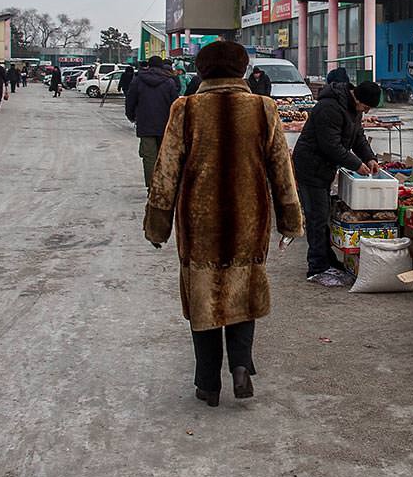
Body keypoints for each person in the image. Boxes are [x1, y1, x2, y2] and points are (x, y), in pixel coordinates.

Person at [145, 40, 303, 407]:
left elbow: (166, 171)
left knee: (203, 297)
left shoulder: (186, 109)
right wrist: (290, 221)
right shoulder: (263, 108)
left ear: (201, 71)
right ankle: (241, 367)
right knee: (243, 291)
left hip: (199, 220)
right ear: (243, 69)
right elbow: (282, 169)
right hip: (249, 217)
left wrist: (157, 225)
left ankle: (207, 384)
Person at [291, 74, 381, 285]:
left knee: (323, 216)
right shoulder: (329, 107)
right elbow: (330, 145)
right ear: (357, 98)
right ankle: (317, 267)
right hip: (310, 165)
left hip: (325, 168)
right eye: (366, 107)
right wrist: (356, 164)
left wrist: (369, 157)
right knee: (316, 217)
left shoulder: (352, 110)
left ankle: (327, 260)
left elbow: (358, 136)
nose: (366, 112)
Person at [124, 55, 181, 189]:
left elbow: (130, 100)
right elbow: (175, 103)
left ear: (148, 65)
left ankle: (152, 187)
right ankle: (164, 185)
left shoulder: (138, 80)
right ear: (161, 66)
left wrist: (131, 116)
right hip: (165, 125)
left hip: (145, 123)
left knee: (149, 157)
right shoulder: (169, 82)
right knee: (164, 155)